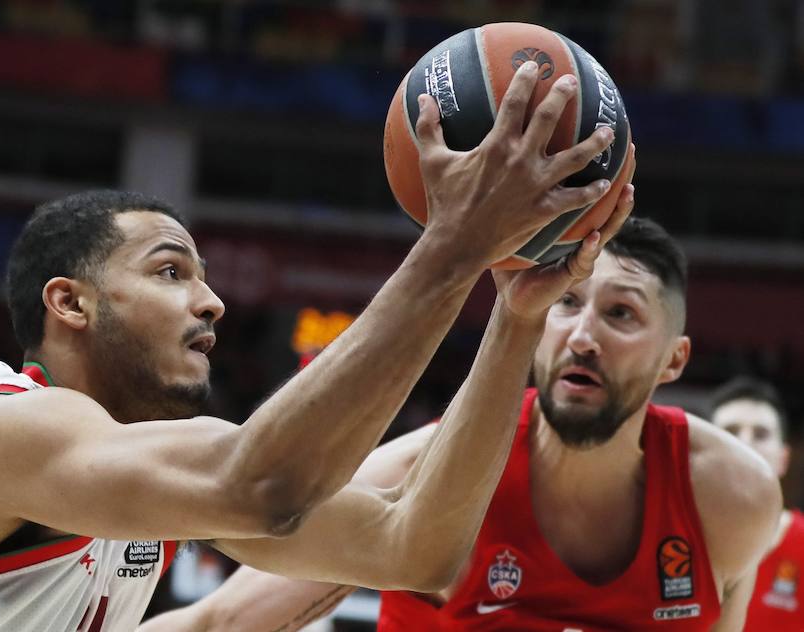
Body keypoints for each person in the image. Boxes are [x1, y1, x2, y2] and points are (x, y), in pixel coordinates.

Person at [0, 63, 628, 631]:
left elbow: (413, 549)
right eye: (169, 271)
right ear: (69, 303)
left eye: (202, 277)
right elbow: (261, 488)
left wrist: (515, 318)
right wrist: (454, 248)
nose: (211, 301)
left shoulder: (142, 474)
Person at [141, 217, 782, 632]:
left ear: (675, 359)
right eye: (566, 304)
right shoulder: (424, 475)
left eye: (621, 314)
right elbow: (219, 621)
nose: (583, 335)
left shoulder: (731, 499)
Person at [710, 377, 804, 630]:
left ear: (784, 458)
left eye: (761, 434)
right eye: (730, 431)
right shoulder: (670, 541)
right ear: (701, 455)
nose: (745, 443)